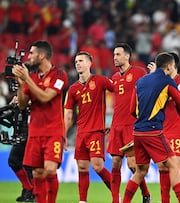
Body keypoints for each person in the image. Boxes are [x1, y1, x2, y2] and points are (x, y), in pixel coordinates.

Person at [122, 52, 180, 203]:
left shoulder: (140, 81)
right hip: (154, 131)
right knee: (173, 165)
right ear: (170, 66)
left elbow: (132, 109)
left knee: (140, 171)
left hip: (138, 132)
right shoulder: (167, 82)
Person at [12, 40, 68, 203]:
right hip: (35, 133)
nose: (28, 57)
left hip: (53, 132)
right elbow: (22, 104)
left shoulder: (59, 75)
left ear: (42, 55)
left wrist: (27, 79)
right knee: (37, 173)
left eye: (31, 53)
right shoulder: (33, 77)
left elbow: (45, 97)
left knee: (50, 170)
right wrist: (20, 83)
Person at [64, 51, 113, 203]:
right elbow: (68, 115)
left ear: (89, 63)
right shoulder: (73, 89)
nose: (77, 63)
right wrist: (63, 134)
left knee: (98, 166)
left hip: (96, 131)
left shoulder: (100, 81)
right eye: (76, 61)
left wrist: (116, 120)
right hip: (81, 133)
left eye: (81, 61)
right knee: (82, 168)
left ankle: (116, 195)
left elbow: (120, 92)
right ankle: (83, 201)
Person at [106, 43, 151, 203]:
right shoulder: (115, 78)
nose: (115, 58)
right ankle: (115, 199)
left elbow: (148, 92)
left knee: (133, 165)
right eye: (114, 55)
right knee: (116, 163)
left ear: (127, 56)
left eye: (118, 54)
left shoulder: (139, 72)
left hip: (132, 125)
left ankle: (146, 194)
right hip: (116, 125)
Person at [148, 52, 180, 203]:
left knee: (177, 166)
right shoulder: (159, 81)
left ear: (172, 65)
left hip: (177, 128)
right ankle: (164, 199)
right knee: (162, 167)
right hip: (160, 129)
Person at [4, 96, 35, 202]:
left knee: (20, 162)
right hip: (21, 132)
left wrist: (25, 101)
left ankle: (30, 191)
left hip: (29, 132)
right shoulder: (20, 95)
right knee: (21, 163)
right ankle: (29, 190)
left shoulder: (33, 91)